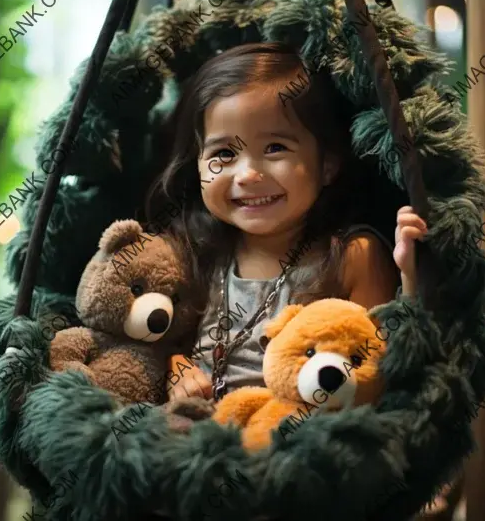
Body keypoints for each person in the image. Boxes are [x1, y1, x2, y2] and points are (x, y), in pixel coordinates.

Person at [145, 42, 428, 403]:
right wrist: (178, 367)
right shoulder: (197, 250)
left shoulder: (352, 257)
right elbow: (158, 344)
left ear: (327, 164)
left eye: (275, 148)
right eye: (224, 153)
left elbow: (376, 373)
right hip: (199, 439)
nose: (247, 174)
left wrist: (411, 277)